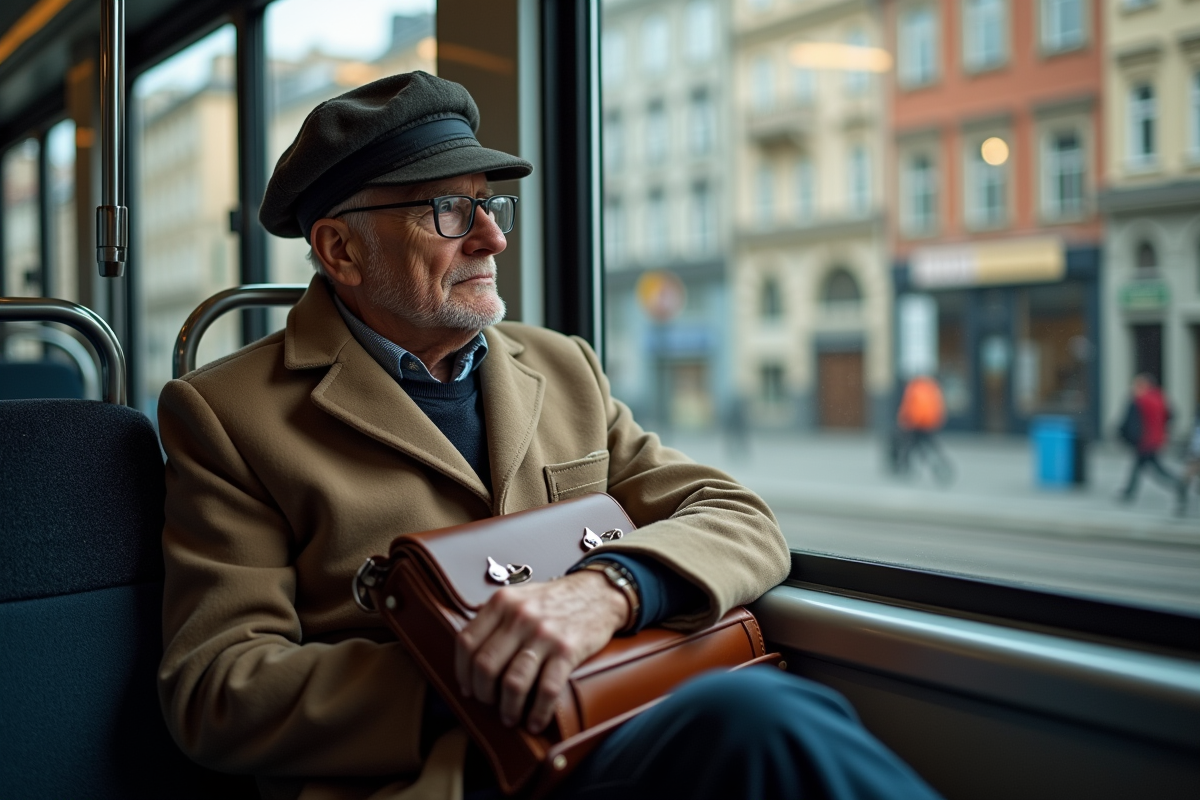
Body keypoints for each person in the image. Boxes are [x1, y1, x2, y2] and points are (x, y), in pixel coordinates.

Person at [157, 72, 943, 800]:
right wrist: (477, 672)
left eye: (489, 206)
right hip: (448, 775)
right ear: (340, 249)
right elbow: (217, 690)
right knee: (754, 720)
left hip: (610, 728)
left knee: (770, 711)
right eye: (447, 211)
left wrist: (610, 589)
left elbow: (738, 518)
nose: (493, 240)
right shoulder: (227, 415)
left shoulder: (563, 366)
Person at [1117, 373, 1186, 513]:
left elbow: (1131, 423)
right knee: (1139, 466)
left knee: (1156, 469)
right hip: (1156, 439)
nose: (1134, 387)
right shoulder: (1159, 397)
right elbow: (1171, 416)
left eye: (1138, 384)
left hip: (1145, 441)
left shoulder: (1139, 400)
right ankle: (1129, 491)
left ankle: (1179, 484)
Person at [893, 374, 952, 484]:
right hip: (929, 423)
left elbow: (907, 405)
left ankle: (904, 467)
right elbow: (939, 405)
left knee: (911, 446)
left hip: (915, 423)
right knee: (929, 445)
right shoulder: (932, 387)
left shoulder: (913, 387)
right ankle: (942, 463)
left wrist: (902, 420)